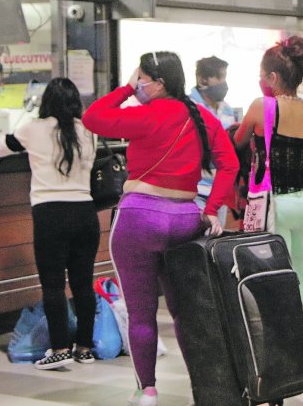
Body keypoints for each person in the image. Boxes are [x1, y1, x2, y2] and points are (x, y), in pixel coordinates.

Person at [82, 51, 239, 406]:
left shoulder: (145, 115)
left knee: (141, 312)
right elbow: (229, 164)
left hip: (137, 218)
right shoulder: (202, 117)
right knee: (185, 312)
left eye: (141, 78)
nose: (137, 84)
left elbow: (92, 117)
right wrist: (211, 209)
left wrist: (124, 90)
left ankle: (147, 391)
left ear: (159, 83)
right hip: (186, 219)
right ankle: (203, 387)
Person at [0, 77, 99, 369]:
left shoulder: (33, 128)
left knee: (53, 284)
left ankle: (60, 348)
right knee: (83, 284)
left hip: (50, 214)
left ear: (47, 102)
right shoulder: (89, 131)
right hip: (85, 213)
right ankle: (84, 348)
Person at [234, 36, 303, 375]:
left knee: (275, 278)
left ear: (274, 77)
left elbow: (238, 141)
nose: (260, 80)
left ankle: (285, 354)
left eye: (262, 75)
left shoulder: (262, 106)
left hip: (274, 204)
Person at [189, 56, 236, 217]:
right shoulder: (188, 107)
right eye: (220, 77)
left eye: (225, 77)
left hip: (219, 192)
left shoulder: (228, 109)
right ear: (203, 80)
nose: (224, 83)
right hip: (195, 192)